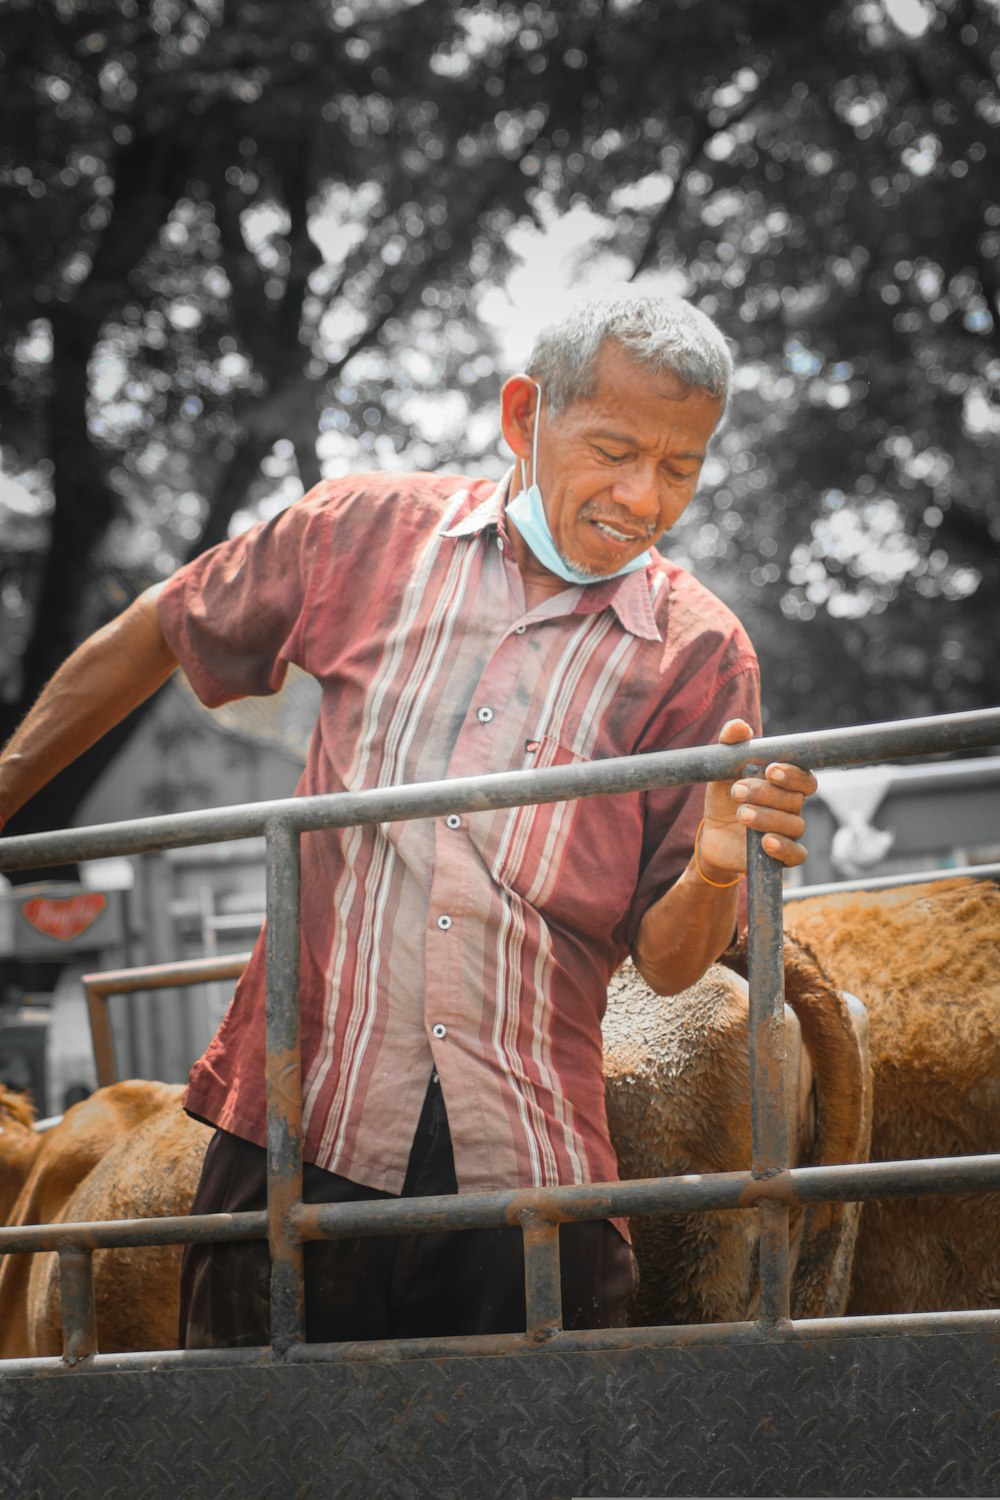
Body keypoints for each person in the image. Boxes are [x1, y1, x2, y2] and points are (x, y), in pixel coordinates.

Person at [0, 286, 817, 1346]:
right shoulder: (359, 534)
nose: (642, 496)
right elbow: (161, 626)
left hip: (526, 1163)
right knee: (256, 1454)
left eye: (679, 467)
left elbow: (668, 966)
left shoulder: (702, 653)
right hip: (301, 1126)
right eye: (613, 449)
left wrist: (716, 864)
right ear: (524, 417)